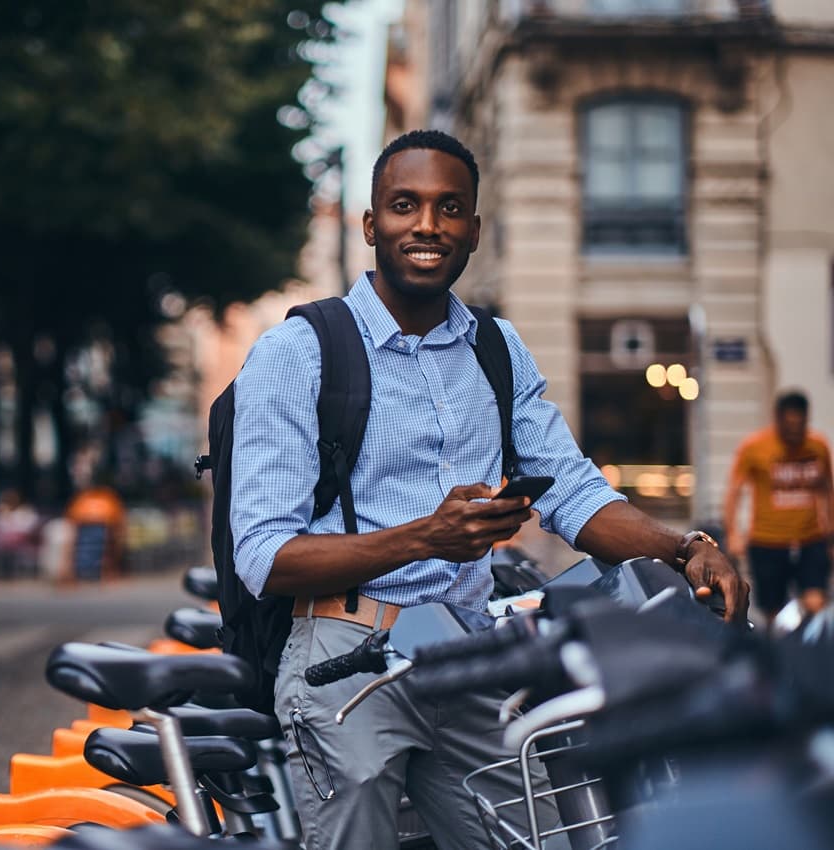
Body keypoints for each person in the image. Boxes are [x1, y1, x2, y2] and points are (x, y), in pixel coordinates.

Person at [229, 129, 748, 850]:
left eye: (449, 208)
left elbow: (572, 490)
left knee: (534, 839)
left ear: (474, 228)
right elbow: (263, 554)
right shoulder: (299, 352)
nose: (427, 225)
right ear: (372, 222)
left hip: (466, 655)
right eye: (405, 205)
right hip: (341, 659)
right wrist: (426, 537)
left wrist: (683, 546)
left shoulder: (496, 349)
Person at [723, 390, 833, 629]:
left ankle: (816, 657)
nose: (795, 430)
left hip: (810, 538)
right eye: (789, 424)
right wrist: (733, 533)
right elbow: (734, 492)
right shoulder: (754, 447)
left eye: (800, 424)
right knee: (775, 613)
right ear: (778, 419)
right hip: (767, 541)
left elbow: (827, 490)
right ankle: (781, 660)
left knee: (816, 603)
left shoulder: (818, 446)